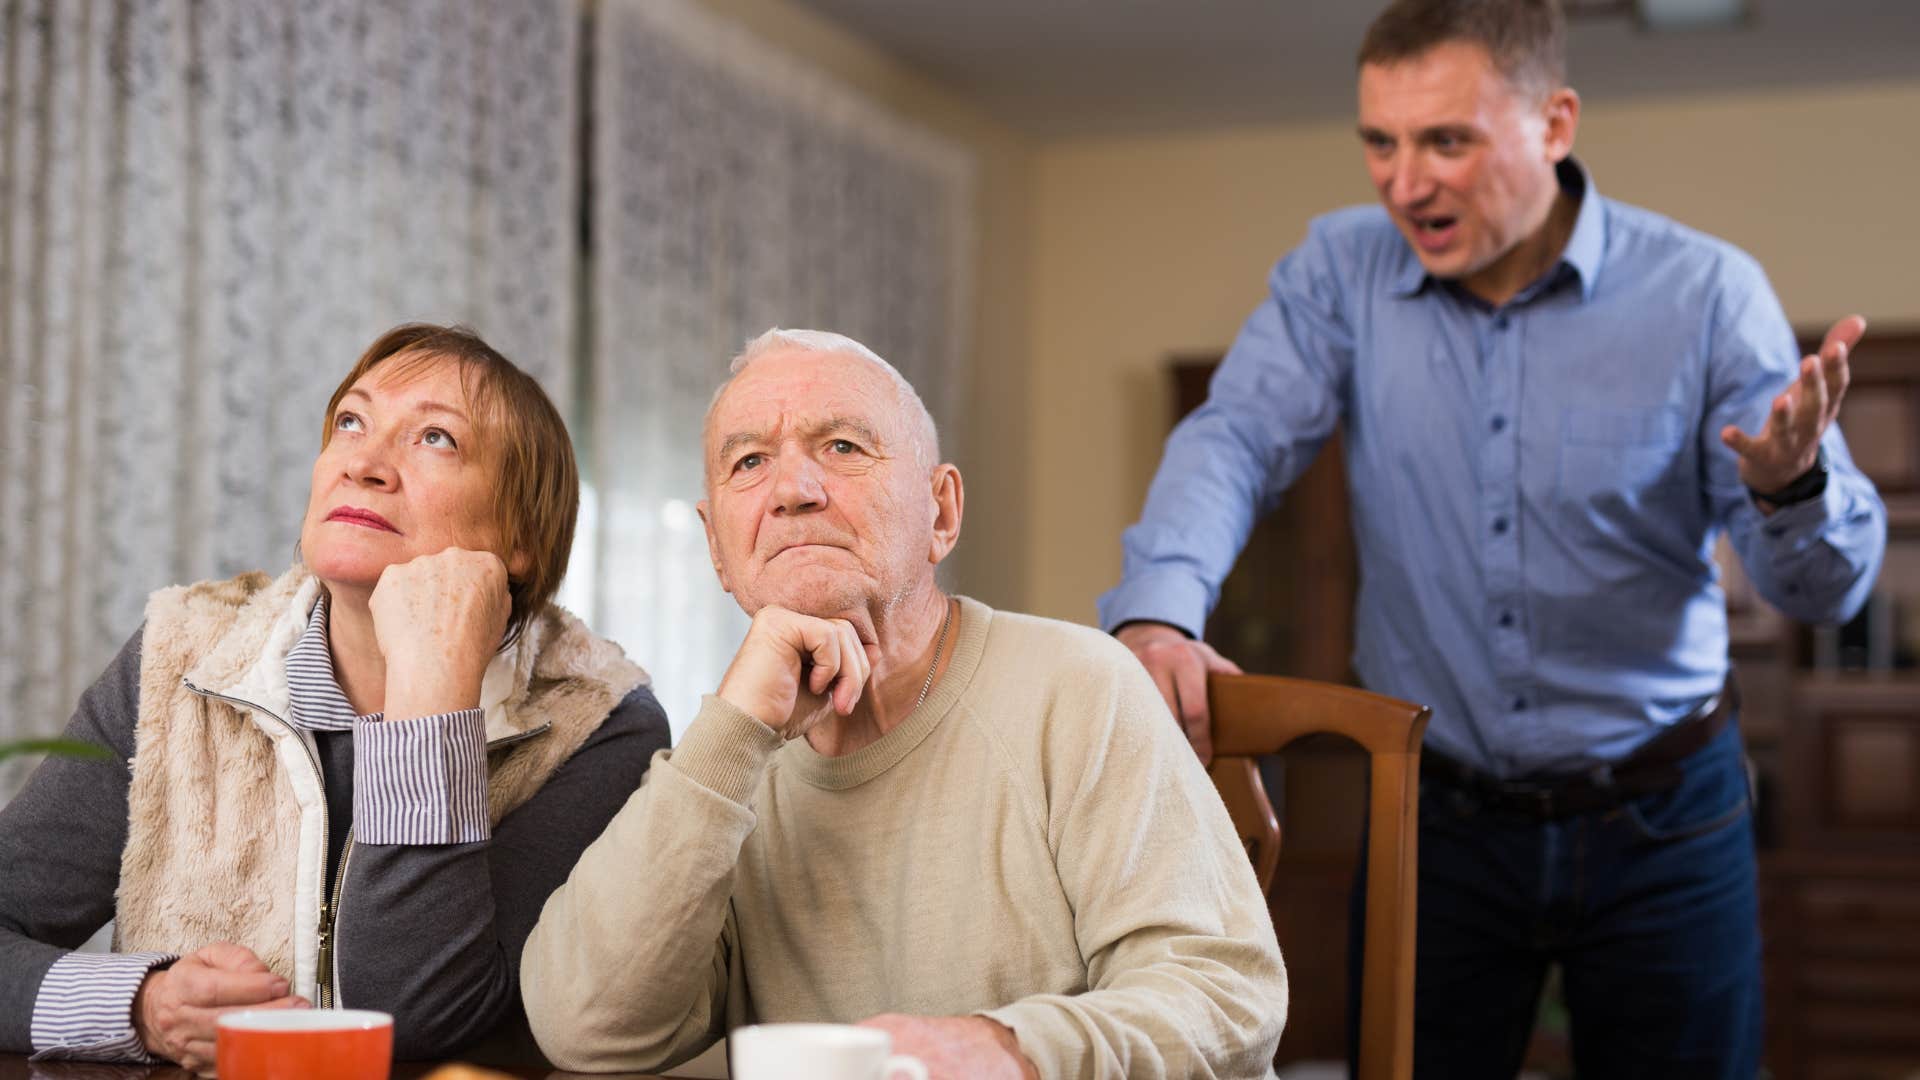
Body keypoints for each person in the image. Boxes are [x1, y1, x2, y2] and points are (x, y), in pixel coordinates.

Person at [1099, 1, 1886, 1076]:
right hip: (1436, 812)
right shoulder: (1340, 271)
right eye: (1381, 141)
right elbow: (1235, 438)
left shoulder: (1705, 295)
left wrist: (1793, 488)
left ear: (1555, 124)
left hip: (1667, 813)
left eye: (1447, 142)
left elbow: (1822, 594)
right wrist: (1156, 614)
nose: (1404, 182)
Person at [520, 329, 1288, 1080]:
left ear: (942, 511)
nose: (793, 490)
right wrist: (731, 733)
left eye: (843, 447)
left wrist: (1008, 1050)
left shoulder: (1080, 684)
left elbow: (1225, 999)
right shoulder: (726, 765)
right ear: (717, 546)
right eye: (749, 461)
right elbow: (585, 1032)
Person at [0, 324, 669, 1073]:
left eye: (437, 438)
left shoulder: (599, 724)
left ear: (520, 538)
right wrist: (142, 1007)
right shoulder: (177, 658)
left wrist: (430, 694)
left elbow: (417, 1017)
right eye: (351, 422)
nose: (365, 464)